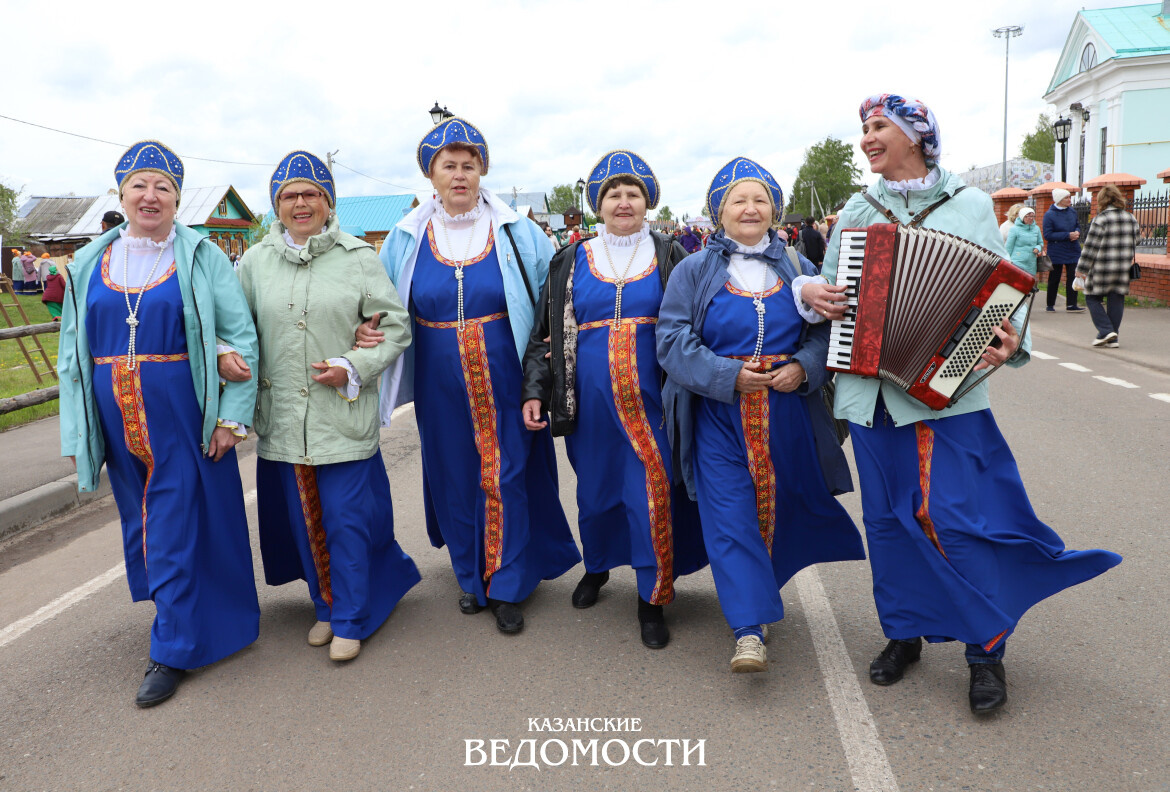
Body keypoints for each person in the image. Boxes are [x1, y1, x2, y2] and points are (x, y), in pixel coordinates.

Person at [799, 94, 1122, 713]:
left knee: (957, 522)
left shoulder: (971, 206)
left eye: (877, 128)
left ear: (916, 136)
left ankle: (985, 649)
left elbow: (1006, 292)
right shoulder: (855, 213)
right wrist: (813, 290)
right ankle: (904, 632)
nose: (866, 139)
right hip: (871, 398)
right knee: (888, 524)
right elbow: (829, 291)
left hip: (947, 395)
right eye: (863, 129)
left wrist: (1007, 344)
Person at [57, 140, 260, 707]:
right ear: (121, 194)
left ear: (177, 199)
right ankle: (185, 615)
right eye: (141, 186)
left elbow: (240, 337)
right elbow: (72, 356)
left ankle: (171, 648)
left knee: (172, 522)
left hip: (181, 412)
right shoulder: (88, 262)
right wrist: (79, 432)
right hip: (114, 416)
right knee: (143, 522)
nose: (151, 196)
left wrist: (232, 419)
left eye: (164, 187)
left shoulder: (201, 257)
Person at [656, 157, 864, 673]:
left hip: (786, 412)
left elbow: (824, 333)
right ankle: (748, 627)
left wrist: (804, 367)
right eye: (737, 200)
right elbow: (672, 340)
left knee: (779, 507)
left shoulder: (799, 268)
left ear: (775, 209)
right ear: (718, 212)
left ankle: (759, 592)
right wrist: (727, 377)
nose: (750, 209)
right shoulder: (693, 269)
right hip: (717, 415)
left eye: (760, 200)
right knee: (728, 516)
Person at [373, 117, 580, 634]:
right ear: (431, 174)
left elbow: (550, 305)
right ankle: (471, 575)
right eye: (449, 166)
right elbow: (377, 303)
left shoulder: (518, 232)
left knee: (506, 471)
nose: (460, 175)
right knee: (453, 474)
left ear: (482, 170)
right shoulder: (404, 238)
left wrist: (546, 376)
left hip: (505, 370)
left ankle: (507, 581)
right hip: (437, 379)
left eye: (469, 165)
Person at [227, 150, 420, 662]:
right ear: (276, 205)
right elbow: (238, 330)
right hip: (285, 419)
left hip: (341, 412)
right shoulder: (254, 262)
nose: (301, 203)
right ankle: (327, 607)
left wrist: (353, 363)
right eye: (289, 196)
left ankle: (353, 618)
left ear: (329, 203)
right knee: (305, 519)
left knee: (346, 519)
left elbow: (393, 326)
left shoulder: (359, 258)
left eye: (311, 194)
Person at [520, 151, 707, 649]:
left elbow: (703, 322)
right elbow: (544, 336)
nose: (623, 203)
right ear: (598, 203)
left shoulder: (673, 256)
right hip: (589, 407)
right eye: (612, 194)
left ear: (648, 202)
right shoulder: (571, 258)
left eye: (633, 194)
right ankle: (598, 565)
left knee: (651, 491)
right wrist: (536, 391)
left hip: (655, 404)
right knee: (596, 491)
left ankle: (652, 595)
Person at [1075, 184, 1140, 349]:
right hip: (1123, 266)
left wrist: (1081, 270)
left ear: (1102, 200)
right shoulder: (1130, 218)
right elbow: (1137, 241)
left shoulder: (1101, 219)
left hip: (1102, 267)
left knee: (1091, 297)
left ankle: (1105, 330)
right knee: (1116, 299)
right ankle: (1113, 337)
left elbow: (1090, 247)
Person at [1043, 188, 1085, 312]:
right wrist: (1067, 235)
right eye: (1066, 198)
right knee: (1054, 278)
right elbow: (1048, 235)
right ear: (1059, 200)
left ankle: (1072, 304)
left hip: (1072, 248)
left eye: (1069, 197)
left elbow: (1077, 224)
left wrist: (1077, 232)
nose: (1069, 200)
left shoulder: (1072, 211)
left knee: (1073, 276)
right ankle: (1050, 304)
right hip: (1057, 250)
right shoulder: (1049, 214)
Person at [1005, 206, 1042, 277]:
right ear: (1022, 217)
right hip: (1017, 261)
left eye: (1033, 216)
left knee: (1029, 283)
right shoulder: (1014, 229)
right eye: (1028, 216)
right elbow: (1009, 247)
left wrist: (1038, 248)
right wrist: (1007, 260)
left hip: (1031, 262)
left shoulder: (1036, 229)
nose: (1031, 218)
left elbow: (1040, 243)